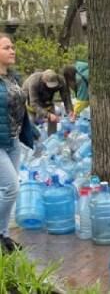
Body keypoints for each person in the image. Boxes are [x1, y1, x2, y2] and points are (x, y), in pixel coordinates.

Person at [0, 33, 34, 253]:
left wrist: (33, 130)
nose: (12, 51)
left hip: (13, 141)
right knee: (11, 187)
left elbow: (18, 108)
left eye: (12, 47)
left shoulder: (13, 78)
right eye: (6, 48)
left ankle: (3, 236)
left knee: (6, 190)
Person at [23, 69, 73, 135]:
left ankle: (52, 137)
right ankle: (33, 140)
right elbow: (34, 103)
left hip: (48, 100)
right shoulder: (34, 82)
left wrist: (70, 111)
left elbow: (66, 97)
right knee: (31, 123)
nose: (52, 87)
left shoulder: (60, 81)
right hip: (31, 100)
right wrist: (48, 115)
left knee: (53, 120)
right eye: (50, 84)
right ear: (44, 80)